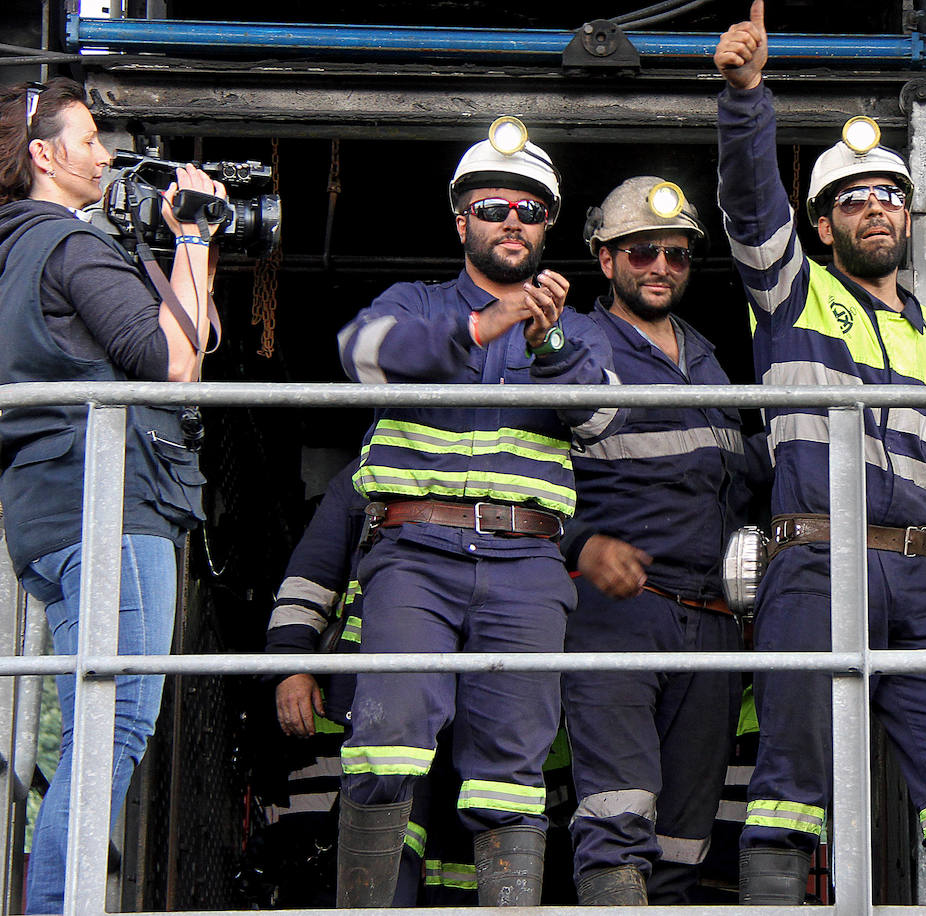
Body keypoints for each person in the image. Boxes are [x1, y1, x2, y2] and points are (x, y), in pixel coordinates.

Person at [713, 4, 926, 907]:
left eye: (888, 194)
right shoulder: (791, 293)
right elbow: (751, 206)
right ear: (825, 223)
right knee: (794, 777)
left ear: (908, 216)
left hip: (920, 576)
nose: (875, 208)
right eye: (853, 199)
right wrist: (746, 101)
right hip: (816, 560)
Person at [334, 119, 624, 908]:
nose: (513, 223)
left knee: (512, 770)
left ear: (547, 228)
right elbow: (359, 354)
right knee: (386, 742)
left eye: (531, 211)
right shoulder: (417, 303)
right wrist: (475, 329)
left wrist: (553, 342)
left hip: (527, 566)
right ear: (461, 220)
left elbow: (603, 427)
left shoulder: (579, 328)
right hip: (413, 554)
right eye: (494, 206)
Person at [0, 78, 224, 913]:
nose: (104, 154)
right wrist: (195, 234)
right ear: (44, 155)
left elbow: (190, 330)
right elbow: (176, 363)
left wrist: (172, 252)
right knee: (113, 730)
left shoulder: (18, 246)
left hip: (50, 517)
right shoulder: (69, 244)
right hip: (112, 515)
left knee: (96, 727)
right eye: (89, 139)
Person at [559, 176, 759, 904]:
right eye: (641, 251)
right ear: (603, 259)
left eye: (676, 255)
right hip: (622, 612)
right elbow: (522, 467)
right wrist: (579, 543)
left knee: (684, 836)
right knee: (618, 818)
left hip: (710, 622)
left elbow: (737, 481)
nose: (661, 267)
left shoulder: (706, 356)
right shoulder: (575, 343)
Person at [264, 460, 476, 907]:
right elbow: (310, 577)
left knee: (465, 856)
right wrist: (291, 666)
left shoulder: (514, 474)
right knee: (389, 832)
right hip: (383, 699)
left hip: (480, 703)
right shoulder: (365, 474)